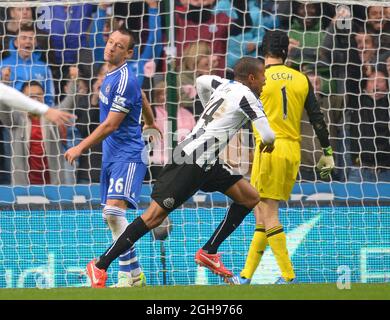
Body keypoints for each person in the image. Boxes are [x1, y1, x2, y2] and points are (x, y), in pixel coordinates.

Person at [81, 57, 276, 288]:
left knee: (250, 197)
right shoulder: (249, 98)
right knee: (154, 217)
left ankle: (209, 251)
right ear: (252, 78)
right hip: (191, 160)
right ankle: (100, 264)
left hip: (206, 160)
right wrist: (269, 144)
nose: (264, 82)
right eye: (263, 77)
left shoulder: (223, 84)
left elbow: (202, 80)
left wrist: (208, 119)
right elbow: (268, 136)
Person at [228, 30, 334, 285]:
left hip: (268, 148)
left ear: (263, 52)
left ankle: (288, 276)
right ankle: (245, 276)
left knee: (268, 212)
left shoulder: (257, 79)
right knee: (261, 214)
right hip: (292, 150)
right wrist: (327, 152)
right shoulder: (301, 79)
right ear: (287, 51)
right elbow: (317, 117)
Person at [64, 28, 155, 288]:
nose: (111, 47)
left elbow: (110, 126)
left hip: (127, 154)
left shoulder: (124, 80)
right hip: (111, 155)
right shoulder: (113, 75)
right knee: (111, 216)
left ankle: (130, 276)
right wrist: (150, 121)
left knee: (114, 212)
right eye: (110, 42)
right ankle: (132, 275)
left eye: (119, 45)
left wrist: (80, 147)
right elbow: (142, 95)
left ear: (128, 52)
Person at [0, 81, 76, 185]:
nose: (35, 99)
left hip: (52, 184)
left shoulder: (52, 116)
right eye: (31, 96)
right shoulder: (16, 119)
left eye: (39, 95)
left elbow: (70, 102)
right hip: (24, 185)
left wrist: (74, 79)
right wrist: (4, 84)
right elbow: (3, 107)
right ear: (22, 99)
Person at [0, 23, 55, 106]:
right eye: (23, 38)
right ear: (16, 43)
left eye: (31, 38)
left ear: (35, 43)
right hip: (14, 112)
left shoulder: (44, 67)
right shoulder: (3, 65)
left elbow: (50, 96)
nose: (28, 41)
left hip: (39, 112)